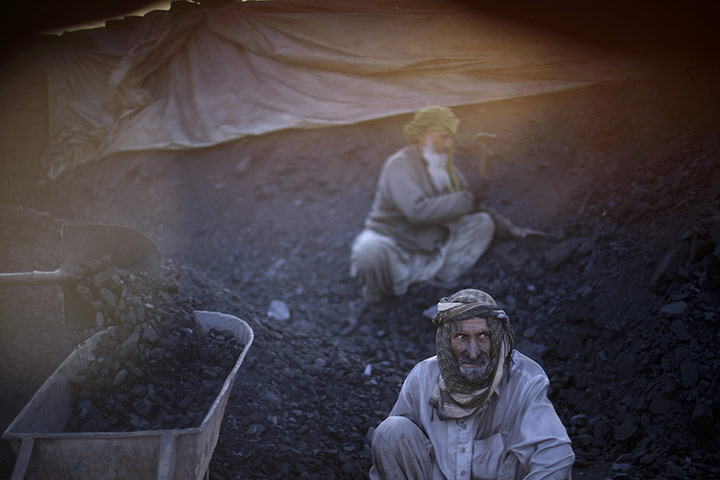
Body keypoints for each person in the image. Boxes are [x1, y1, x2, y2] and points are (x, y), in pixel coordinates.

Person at [369, 288, 574, 480]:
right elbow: (392, 449)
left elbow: (556, 457)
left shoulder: (524, 380)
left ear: (496, 336)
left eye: (483, 336)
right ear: (446, 342)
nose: (474, 352)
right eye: (461, 337)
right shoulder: (423, 377)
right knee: (391, 431)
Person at [350, 105, 498, 304]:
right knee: (369, 250)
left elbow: (472, 209)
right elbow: (416, 211)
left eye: (450, 138)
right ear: (422, 136)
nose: (448, 144)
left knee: (483, 223)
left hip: (431, 250)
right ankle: (377, 302)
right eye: (442, 137)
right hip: (396, 248)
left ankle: (437, 287)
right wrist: (468, 198)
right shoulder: (400, 165)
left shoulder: (447, 170)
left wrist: (511, 229)